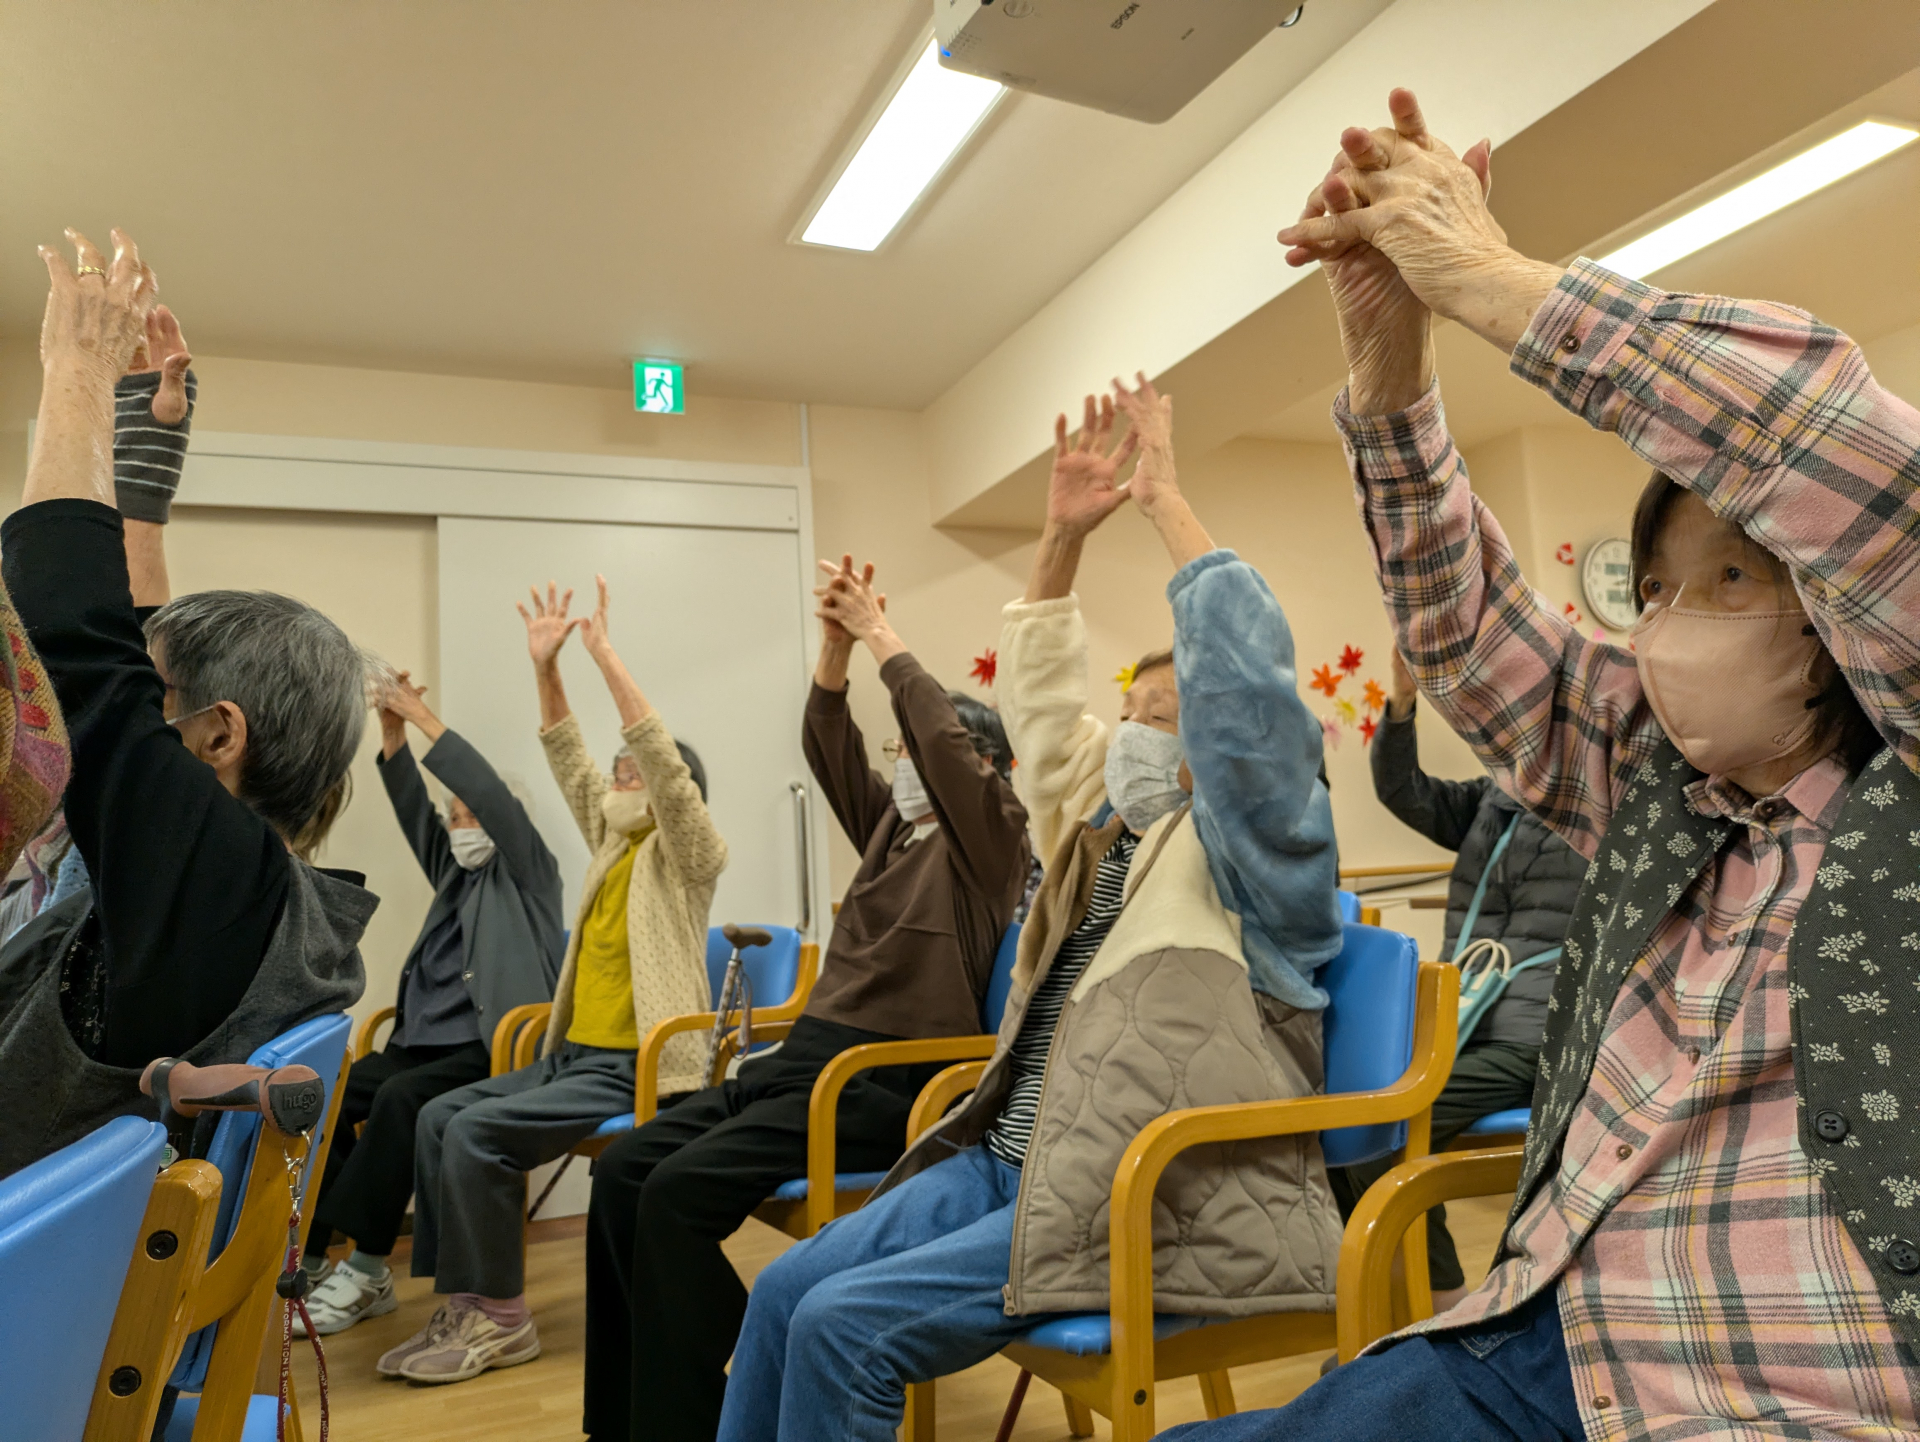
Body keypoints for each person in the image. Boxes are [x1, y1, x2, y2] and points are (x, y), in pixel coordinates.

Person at [1164, 90, 1920, 1441]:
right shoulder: (1661, 793)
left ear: (1832, 615)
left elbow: (1854, 471)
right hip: (1546, 1338)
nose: (1671, 628)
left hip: (1797, 1386)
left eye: (1730, 579)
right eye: (1657, 589)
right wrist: (1390, 370)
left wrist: (1491, 280)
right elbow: (1466, 631)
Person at [718, 377, 1346, 1442]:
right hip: (1014, 1157)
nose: (1133, 735)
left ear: (1220, 750)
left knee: (841, 1329)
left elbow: (1251, 705)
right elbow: (1045, 720)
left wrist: (1165, 502)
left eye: (1162, 719)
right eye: (1130, 713)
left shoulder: (1260, 861)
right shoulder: (1101, 838)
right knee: (784, 1291)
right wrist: (1059, 541)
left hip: (1141, 1192)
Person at [580, 557, 1031, 1442]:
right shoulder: (894, 830)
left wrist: (880, 635)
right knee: (624, 1171)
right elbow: (829, 745)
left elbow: (944, 749)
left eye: (923, 754)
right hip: (807, 1060)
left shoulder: (993, 844)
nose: (908, 767)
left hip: (883, 1081)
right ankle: (633, 1416)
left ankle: (715, 1396)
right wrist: (834, 652)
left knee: (673, 1198)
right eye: (900, 755)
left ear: (987, 768)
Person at [0, 232, 372, 1177]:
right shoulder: (253, 896)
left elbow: (76, 645)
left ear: (217, 735)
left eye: (154, 701)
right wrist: (143, 459)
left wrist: (77, 368)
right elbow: (125, 645)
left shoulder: (214, 880)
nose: (133, 710)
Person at [377, 574, 726, 1384]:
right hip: (573, 1055)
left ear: (673, 792)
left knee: (477, 1132)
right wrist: (547, 669)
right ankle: (467, 1300)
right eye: (619, 768)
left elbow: (662, 764)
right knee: (437, 1116)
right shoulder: (610, 845)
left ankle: (503, 1318)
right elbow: (567, 753)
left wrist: (605, 657)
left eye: (634, 771)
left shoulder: (689, 858)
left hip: (638, 1066)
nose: (621, 776)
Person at [295, 671, 565, 1335]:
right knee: (326, 1095)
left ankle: (367, 1268)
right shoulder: (452, 875)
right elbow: (415, 809)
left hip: (490, 1048)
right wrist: (392, 736)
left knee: (398, 1102)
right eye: (456, 817)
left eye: (473, 815)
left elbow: (488, 791)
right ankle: (312, 1259)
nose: (461, 824)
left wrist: (420, 716)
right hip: (417, 1045)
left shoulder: (530, 874)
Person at [1330, 647, 1583, 1309]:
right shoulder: (1491, 801)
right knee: (1342, 1126)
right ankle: (1394, 1312)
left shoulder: (1598, 816)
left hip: (1534, 1037)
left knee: (1380, 1131)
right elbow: (1403, 791)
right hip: (1462, 1022)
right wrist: (1401, 702)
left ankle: (1442, 1305)